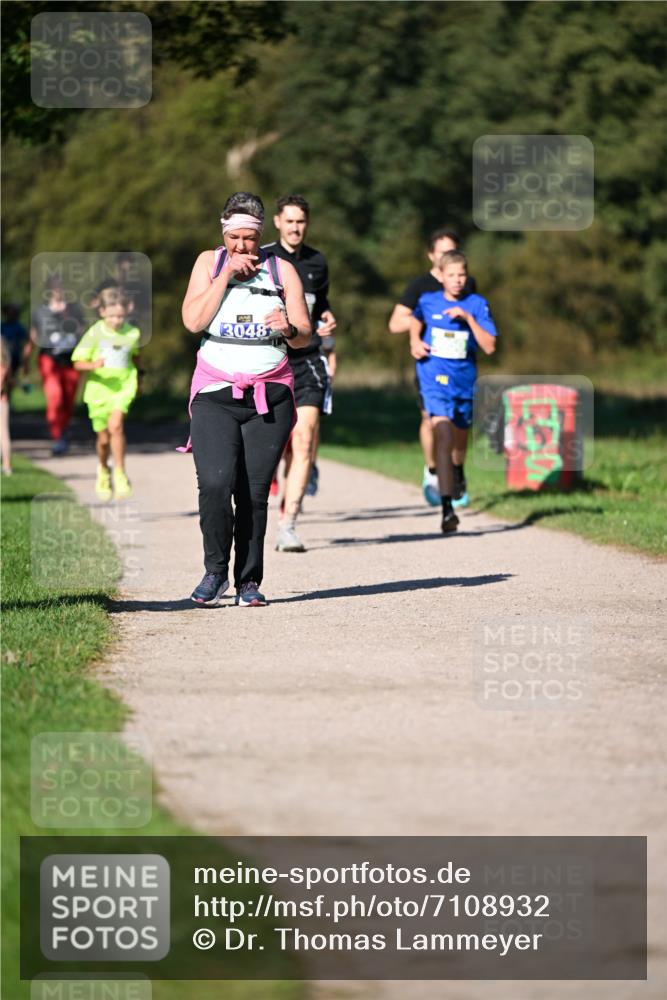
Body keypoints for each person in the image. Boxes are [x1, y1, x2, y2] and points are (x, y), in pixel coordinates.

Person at [181, 191, 311, 607]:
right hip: (214, 393)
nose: (241, 247)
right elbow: (192, 321)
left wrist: (287, 327)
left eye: (248, 240)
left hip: (270, 396)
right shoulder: (209, 263)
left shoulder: (282, 270)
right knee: (216, 484)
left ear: (260, 236)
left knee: (253, 492)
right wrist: (225, 278)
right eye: (234, 238)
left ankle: (249, 582)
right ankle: (214, 572)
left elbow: (306, 333)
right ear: (224, 234)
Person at [262, 194, 337, 553]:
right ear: (277, 221)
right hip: (269, 360)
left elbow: (320, 305)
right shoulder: (263, 258)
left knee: (304, 438)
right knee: (274, 445)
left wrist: (327, 320)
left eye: (301, 222)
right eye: (289, 221)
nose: (295, 228)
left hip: (306, 360)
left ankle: (288, 524)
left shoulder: (317, 262)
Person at [409, 250, 497, 533]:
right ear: (442, 277)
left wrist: (469, 319)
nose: (457, 280)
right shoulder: (428, 301)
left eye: (462, 275)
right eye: (451, 275)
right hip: (434, 380)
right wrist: (414, 341)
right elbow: (414, 319)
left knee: (459, 442)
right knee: (443, 435)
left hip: (464, 384)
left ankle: (458, 471)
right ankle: (447, 509)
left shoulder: (477, 304)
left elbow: (490, 346)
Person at [389, 228, 476, 507]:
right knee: (431, 419)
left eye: (452, 253)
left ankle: (456, 468)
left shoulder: (467, 285)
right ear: (431, 256)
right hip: (430, 366)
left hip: (461, 366)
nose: (447, 260)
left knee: (460, 426)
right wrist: (427, 323)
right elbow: (395, 323)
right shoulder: (420, 287)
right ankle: (434, 472)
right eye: (441, 254)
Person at [71, 289, 141, 501]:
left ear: (126, 313)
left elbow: (136, 357)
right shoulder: (94, 333)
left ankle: (120, 472)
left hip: (123, 386)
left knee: (116, 426)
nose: (116, 320)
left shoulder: (132, 333)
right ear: (102, 312)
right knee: (103, 439)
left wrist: (141, 379)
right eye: (111, 316)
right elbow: (77, 363)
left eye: (120, 316)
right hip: (99, 391)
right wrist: (93, 364)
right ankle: (103, 469)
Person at [29, 276, 86, 455]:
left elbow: (84, 330)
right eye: (55, 288)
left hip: (71, 359)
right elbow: (33, 334)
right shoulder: (40, 311)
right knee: (55, 397)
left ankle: (63, 430)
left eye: (62, 287)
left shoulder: (75, 308)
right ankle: (57, 436)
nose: (59, 291)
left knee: (69, 400)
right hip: (49, 358)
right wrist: (25, 360)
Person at [1, 304, 30, 475]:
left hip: (10, 367)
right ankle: (6, 463)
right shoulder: (3, 328)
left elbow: (28, 343)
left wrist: (24, 363)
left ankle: (6, 463)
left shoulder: (18, 328)